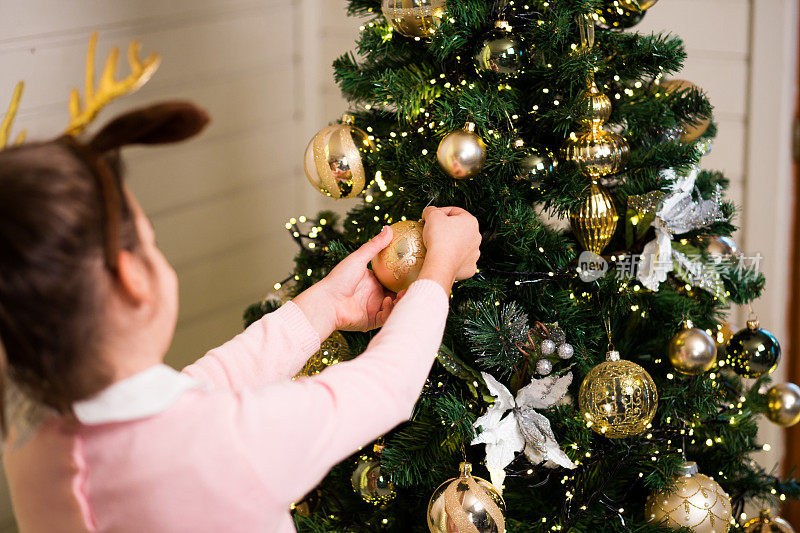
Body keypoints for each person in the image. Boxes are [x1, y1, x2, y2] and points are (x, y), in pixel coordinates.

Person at [0, 101, 482, 532]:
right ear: (133, 279)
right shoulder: (228, 447)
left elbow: (204, 388)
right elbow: (383, 388)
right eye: (150, 240)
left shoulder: (33, 445)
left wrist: (324, 308)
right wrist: (438, 270)